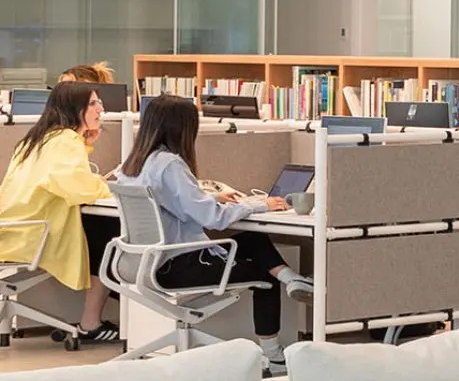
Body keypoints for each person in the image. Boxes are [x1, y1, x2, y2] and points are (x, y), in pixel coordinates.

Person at [120, 96, 306, 340]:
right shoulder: (170, 164)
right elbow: (213, 219)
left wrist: (213, 196)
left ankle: (293, 280)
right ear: (182, 128)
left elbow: (170, 202)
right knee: (264, 275)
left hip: (140, 263)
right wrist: (261, 205)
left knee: (252, 240)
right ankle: (274, 356)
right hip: (176, 266)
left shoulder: (132, 165)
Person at [0, 81, 116, 341]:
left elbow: (57, 176)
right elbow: (78, 189)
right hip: (34, 236)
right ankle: (91, 322)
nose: (101, 108)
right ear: (74, 108)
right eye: (93, 103)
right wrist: (110, 188)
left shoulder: (36, 139)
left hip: (12, 230)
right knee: (111, 238)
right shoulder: (65, 140)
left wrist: (85, 144)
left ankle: (91, 322)